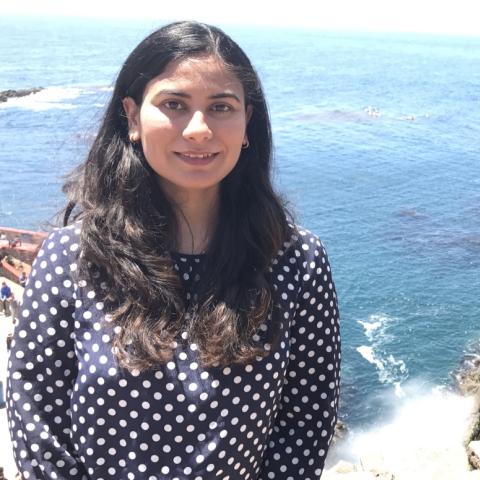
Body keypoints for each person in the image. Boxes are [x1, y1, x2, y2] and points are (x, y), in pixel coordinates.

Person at [7, 21, 340, 480]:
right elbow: (38, 416)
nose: (199, 129)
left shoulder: (295, 261)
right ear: (132, 117)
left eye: (221, 107)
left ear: (247, 123)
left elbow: (305, 422)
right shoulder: (72, 258)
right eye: (174, 104)